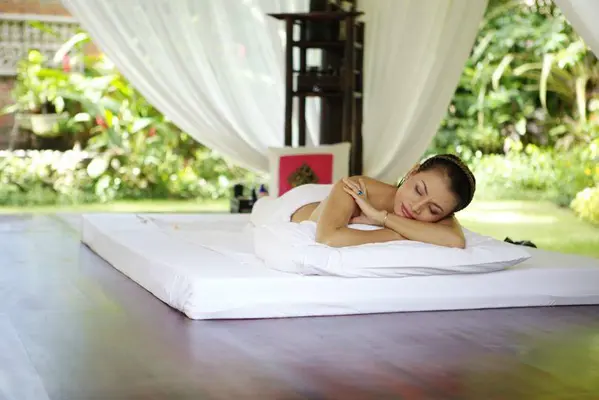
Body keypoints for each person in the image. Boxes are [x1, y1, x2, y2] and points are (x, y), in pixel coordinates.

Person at [290, 154, 476, 249]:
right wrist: (395, 234)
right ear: (412, 172)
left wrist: (381, 217)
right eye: (418, 190)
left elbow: (455, 240)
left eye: (433, 210)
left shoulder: (441, 208)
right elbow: (328, 238)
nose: (417, 207)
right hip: (296, 206)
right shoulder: (357, 187)